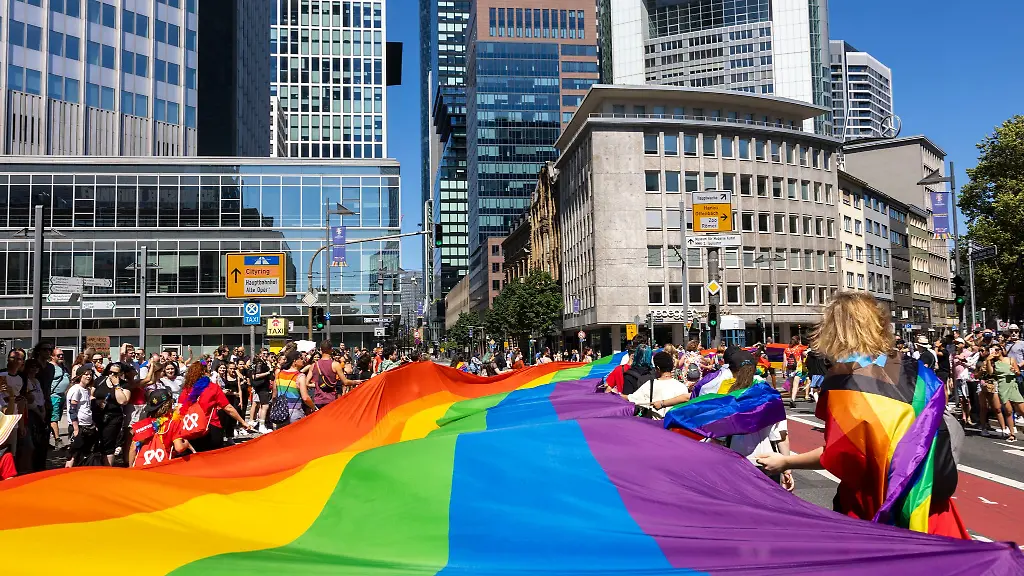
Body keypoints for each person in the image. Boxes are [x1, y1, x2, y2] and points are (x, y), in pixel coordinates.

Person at [757, 292, 969, 540]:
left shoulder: (844, 382)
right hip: (930, 502)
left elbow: (839, 453)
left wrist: (785, 462)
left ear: (834, 329)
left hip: (876, 508)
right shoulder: (917, 370)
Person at [179, 362, 254, 452]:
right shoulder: (213, 387)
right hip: (210, 427)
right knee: (213, 455)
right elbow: (228, 408)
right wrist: (243, 422)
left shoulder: (187, 389)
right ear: (204, 373)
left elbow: (180, 408)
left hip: (191, 427)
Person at [623, 351, 690, 417]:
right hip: (675, 423)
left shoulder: (650, 385)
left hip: (655, 423)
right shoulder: (682, 387)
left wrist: (617, 395)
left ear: (658, 368)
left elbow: (631, 398)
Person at [92, 362, 131, 466]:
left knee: (108, 444)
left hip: (113, 417)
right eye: (110, 372)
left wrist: (117, 385)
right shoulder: (100, 381)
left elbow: (122, 401)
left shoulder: (124, 385)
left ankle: (107, 468)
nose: (112, 375)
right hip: (97, 415)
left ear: (121, 374)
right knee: (96, 443)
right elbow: (91, 395)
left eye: (115, 373)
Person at [271, 351, 313, 428]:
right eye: (301, 358)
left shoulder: (279, 374)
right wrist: (313, 407)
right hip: (295, 412)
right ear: (294, 361)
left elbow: (274, 395)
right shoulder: (300, 376)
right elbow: (305, 398)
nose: (303, 360)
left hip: (280, 412)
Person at [48, 349, 71, 448]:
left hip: (61, 396)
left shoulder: (63, 366)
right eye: (58, 355)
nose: (61, 357)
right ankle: (57, 439)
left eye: (62, 355)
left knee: (56, 418)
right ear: (52, 356)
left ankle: (49, 438)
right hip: (54, 396)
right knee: (54, 418)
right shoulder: (50, 367)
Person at [248, 351, 274, 432]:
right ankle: (261, 426)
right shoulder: (259, 363)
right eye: (264, 353)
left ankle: (261, 424)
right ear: (260, 354)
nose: (265, 355)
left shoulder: (264, 363)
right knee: (264, 406)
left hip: (264, 387)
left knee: (263, 405)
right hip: (261, 387)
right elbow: (255, 376)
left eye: (267, 354)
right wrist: (268, 372)